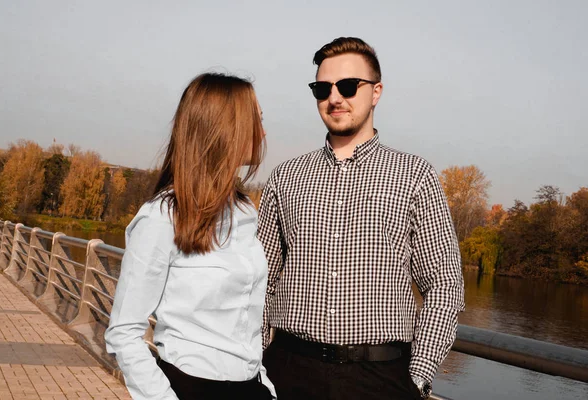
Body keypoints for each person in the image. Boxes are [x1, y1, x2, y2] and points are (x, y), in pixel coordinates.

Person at [258, 37, 465, 400]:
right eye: (322, 88)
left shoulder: (414, 176)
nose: (334, 98)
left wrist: (415, 377)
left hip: (381, 379)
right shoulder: (285, 177)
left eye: (348, 86)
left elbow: (444, 284)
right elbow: (259, 281)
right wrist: (257, 361)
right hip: (287, 369)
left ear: (376, 92)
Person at [105, 72, 276, 400]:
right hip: (191, 387)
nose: (264, 130)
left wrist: (263, 385)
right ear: (223, 126)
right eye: (255, 118)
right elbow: (124, 333)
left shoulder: (244, 212)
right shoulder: (163, 217)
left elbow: (245, 317)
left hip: (250, 388)